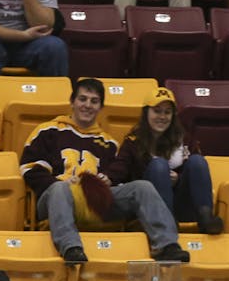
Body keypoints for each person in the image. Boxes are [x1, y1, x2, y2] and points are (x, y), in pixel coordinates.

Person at [20, 78, 189, 266]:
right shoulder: (48, 131)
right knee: (60, 189)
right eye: (82, 99)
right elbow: (29, 168)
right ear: (72, 102)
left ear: (101, 107)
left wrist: (106, 181)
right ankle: (71, 248)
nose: (87, 105)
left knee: (142, 187)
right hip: (58, 200)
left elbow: (119, 178)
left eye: (94, 101)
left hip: (95, 201)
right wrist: (62, 184)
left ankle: (167, 245)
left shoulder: (110, 144)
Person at [107, 86, 223, 235]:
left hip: (181, 204)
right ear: (146, 112)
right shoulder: (133, 141)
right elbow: (120, 168)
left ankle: (206, 218)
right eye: (157, 111)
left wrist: (178, 178)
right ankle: (166, 223)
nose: (162, 116)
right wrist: (107, 178)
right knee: (159, 165)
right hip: (149, 208)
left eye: (167, 112)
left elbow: (195, 174)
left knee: (197, 161)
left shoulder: (184, 138)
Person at [0, 0, 68, 84]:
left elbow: (45, 26)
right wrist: (22, 35)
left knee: (54, 46)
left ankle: (52, 100)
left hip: (31, 45)